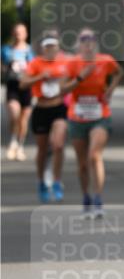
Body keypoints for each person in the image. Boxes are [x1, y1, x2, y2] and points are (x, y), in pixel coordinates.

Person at [60, 28, 123, 217]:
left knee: (94, 155)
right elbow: (62, 90)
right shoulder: (72, 64)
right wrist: (80, 78)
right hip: (77, 117)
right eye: (84, 40)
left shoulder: (105, 61)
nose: (88, 43)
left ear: (95, 43)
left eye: (91, 40)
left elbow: (119, 72)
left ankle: (98, 198)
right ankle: (86, 197)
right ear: (79, 44)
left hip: (100, 115)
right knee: (82, 164)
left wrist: (110, 89)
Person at [19, 31, 69, 201]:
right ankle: (41, 181)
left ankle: (56, 181)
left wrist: (63, 82)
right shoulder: (35, 63)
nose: (50, 50)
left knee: (58, 145)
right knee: (42, 149)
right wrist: (41, 77)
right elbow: (23, 84)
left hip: (58, 108)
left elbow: (73, 81)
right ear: (42, 48)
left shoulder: (64, 63)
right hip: (41, 108)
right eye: (47, 47)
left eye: (53, 46)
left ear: (58, 47)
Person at [2, 22, 33, 161]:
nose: (18, 34)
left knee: (23, 119)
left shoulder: (30, 50)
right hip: (13, 86)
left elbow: (35, 67)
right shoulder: (6, 49)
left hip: (26, 87)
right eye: (16, 32)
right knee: (14, 113)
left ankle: (20, 145)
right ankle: (13, 142)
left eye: (21, 32)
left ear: (26, 34)